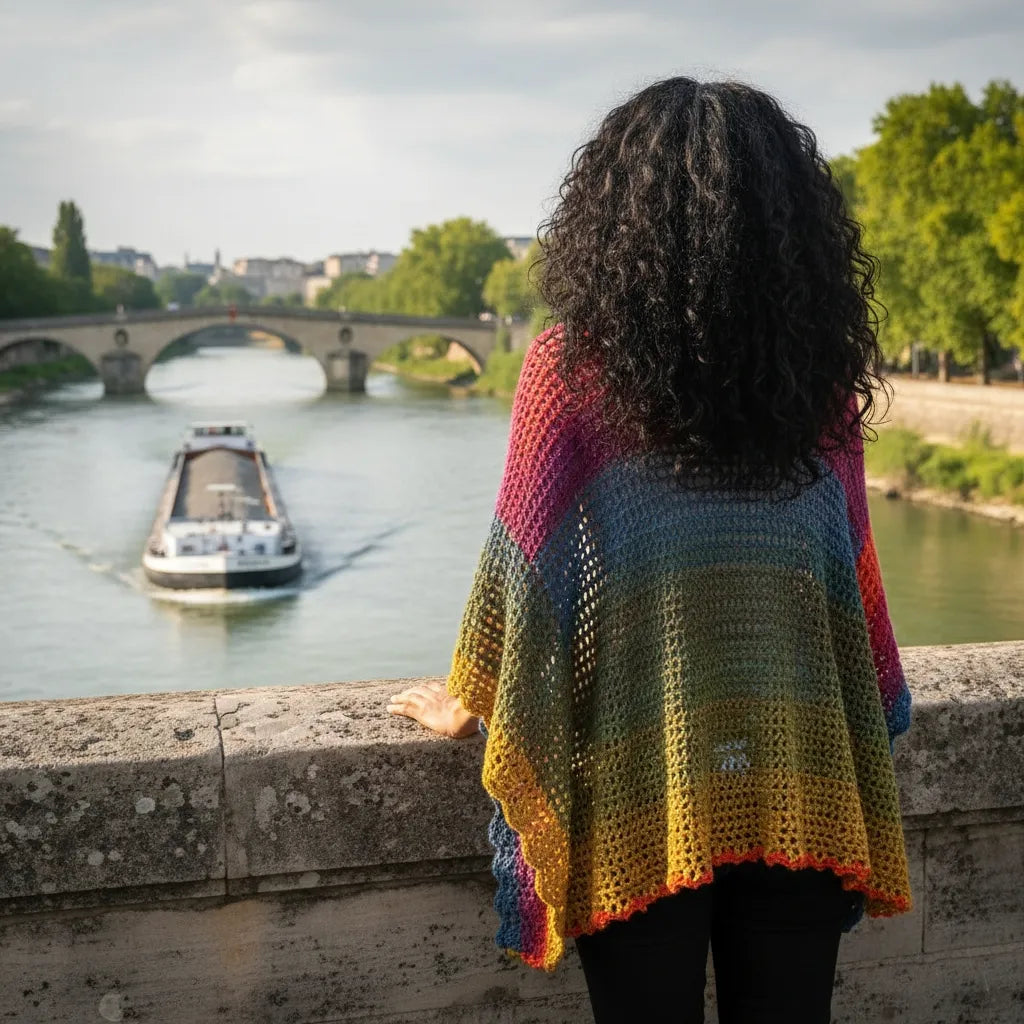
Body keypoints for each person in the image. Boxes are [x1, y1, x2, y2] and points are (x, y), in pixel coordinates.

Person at [387, 76, 912, 1024]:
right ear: (790, 225)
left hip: (641, 797)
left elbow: (520, 571)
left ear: (611, 216)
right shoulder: (822, 387)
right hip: (802, 775)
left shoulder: (569, 372)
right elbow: (851, 587)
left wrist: (466, 700)